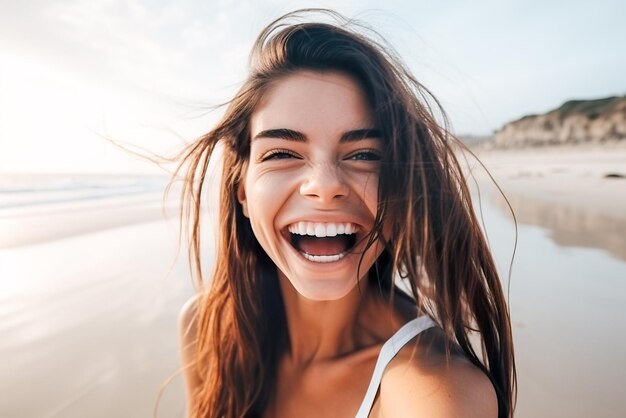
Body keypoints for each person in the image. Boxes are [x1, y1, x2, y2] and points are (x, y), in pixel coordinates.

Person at [176, 8, 516, 418]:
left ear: (401, 188)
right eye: (282, 153)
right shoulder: (207, 328)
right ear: (242, 190)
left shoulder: (437, 396)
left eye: (365, 155)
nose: (324, 185)